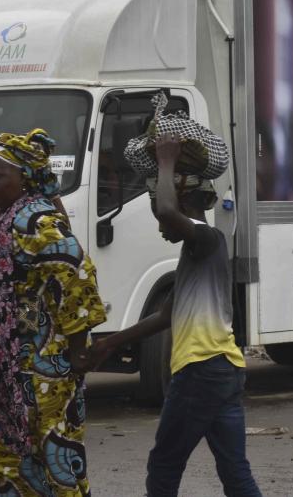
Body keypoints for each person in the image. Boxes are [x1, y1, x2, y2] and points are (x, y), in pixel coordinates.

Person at [90, 132, 261, 497]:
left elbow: (169, 210)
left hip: (200, 370)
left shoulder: (207, 238)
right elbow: (168, 314)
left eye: (159, 211)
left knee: (164, 465)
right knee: (234, 471)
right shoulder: (196, 252)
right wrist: (111, 342)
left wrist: (166, 160)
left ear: (182, 200)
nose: (159, 222)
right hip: (224, 371)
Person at [0, 129, 106, 496]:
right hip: (18, 361)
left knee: (51, 457)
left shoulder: (37, 222)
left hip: (44, 366)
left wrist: (78, 348)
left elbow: (76, 276)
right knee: (2, 448)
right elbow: (23, 290)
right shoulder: (8, 218)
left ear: (25, 178)